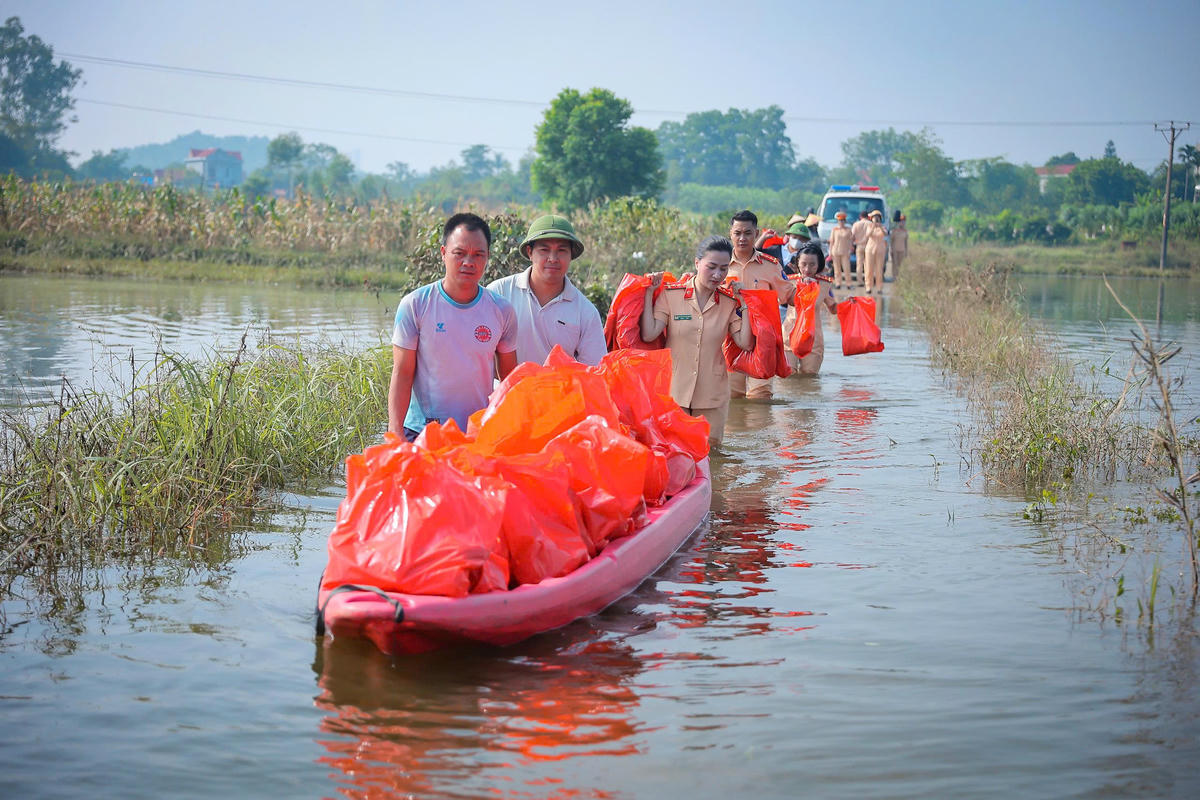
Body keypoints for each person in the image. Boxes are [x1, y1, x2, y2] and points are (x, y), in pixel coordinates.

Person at [388, 212, 518, 440]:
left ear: (487, 257)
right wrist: (395, 432)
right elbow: (402, 374)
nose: (469, 262)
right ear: (443, 253)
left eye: (478, 254)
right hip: (423, 433)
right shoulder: (416, 304)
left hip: (477, 434)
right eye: (459, 253)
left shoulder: (501, 310)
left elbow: (509, 379)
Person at [640, 235, 754, 446]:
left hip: (713, 395)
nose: (717, 274)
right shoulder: (671, 296)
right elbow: (649, 334)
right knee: (675, 454)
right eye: (711, 267)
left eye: (723, 268)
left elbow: (745, 343)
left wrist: (744, 304)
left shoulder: (729, 303)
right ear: (696, 263)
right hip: (674, 392)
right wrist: (648, 294)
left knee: (712, 457)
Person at [487, 214, 606, 366]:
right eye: (544, 249)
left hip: (558, 390)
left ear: (571, 255)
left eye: (562, 250)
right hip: (504, 389)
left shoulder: (585, 312)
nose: (553, 258)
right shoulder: (499, 293)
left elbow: (594, 371)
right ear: (530, 252)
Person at [727, 209, 795, 399]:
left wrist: (810, 291)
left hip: (762, 341)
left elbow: (789, 296)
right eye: (737, 233)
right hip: (729, 340)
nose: (742, 238)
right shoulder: (720, 264)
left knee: (761, 398)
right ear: (730, 234)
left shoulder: (770, 265)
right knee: (732, 398)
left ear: (756, 234)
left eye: (747, 233)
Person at [789, 241, 838, 375]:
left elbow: (833, 309)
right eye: (803, 264)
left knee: (809, 376)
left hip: (813, 338)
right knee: (787, 376)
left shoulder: (824, 285)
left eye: (812, 265)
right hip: (789, 334)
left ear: (819, 265)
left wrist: (848, 305)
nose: (807, 269)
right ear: (798, 263)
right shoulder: (789, 282)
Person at [827, 210, 854, 289]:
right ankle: (838, 283)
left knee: (846, 269)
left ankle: (849, 284)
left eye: (842, 221)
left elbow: (850, 241)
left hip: (845, 251)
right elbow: (832, 241)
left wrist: (850, 250)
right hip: (836, 251)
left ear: (845, 221)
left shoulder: (848, 230)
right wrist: (830, 252)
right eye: (839, 221)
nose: (841, 222)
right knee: (837, 269)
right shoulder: (834, 230)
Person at [863, 209, 888, 294]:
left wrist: (879, 226)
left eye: (877, 218)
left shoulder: (883, 227)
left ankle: (879, 287)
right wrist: (874, 225)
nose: (876, 219)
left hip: (880, 250)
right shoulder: (869, 227)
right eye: (874, 217)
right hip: (870, 250)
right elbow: (868, 234)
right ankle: (868, 287)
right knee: (869, 269)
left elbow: (885, 233)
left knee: (879, 270)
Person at [850, 210, 871, 288]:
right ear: (868, 216)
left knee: (859, 264)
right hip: (869, 246)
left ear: (860, 216)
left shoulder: (856, 224)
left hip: (859, 246)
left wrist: (851, 245)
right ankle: (867, 281)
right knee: (868, 264)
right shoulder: (870, 224)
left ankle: (860, 281)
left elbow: (852, 236)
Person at [890, 212, 908, 280]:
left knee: (900, 265)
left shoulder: (905, 231)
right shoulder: (894, 230)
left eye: (904, 222)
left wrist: (906, 252)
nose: (902, 223)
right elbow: (891, 241)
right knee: (895, 264)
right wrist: (891, 249)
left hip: (902, 250)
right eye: (901, 221)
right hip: (895, 250)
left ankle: (899, 276)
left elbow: (906, 242)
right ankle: (894, 277)